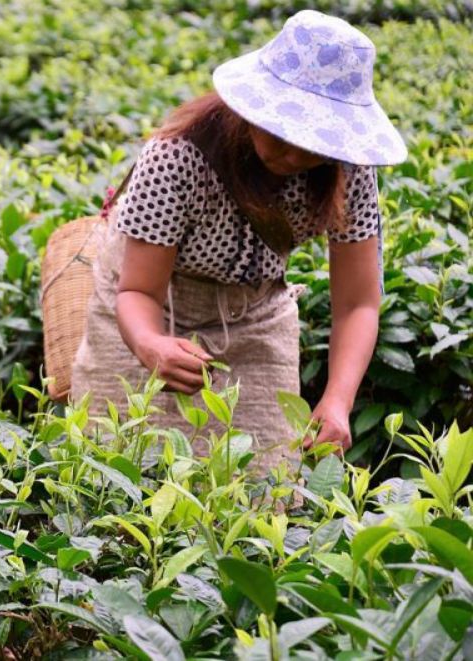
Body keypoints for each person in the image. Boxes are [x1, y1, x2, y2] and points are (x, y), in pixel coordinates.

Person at [70, 10, 405, 474]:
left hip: (255, 316)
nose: (296, 155)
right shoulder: (178, 155)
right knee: (117, 473)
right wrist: (151, 345)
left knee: (263, 484)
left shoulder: (348, 170)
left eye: (314, 145)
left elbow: (358, 302)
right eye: (283, 134)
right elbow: (137, 292)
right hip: (148, 306)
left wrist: (337, 400)